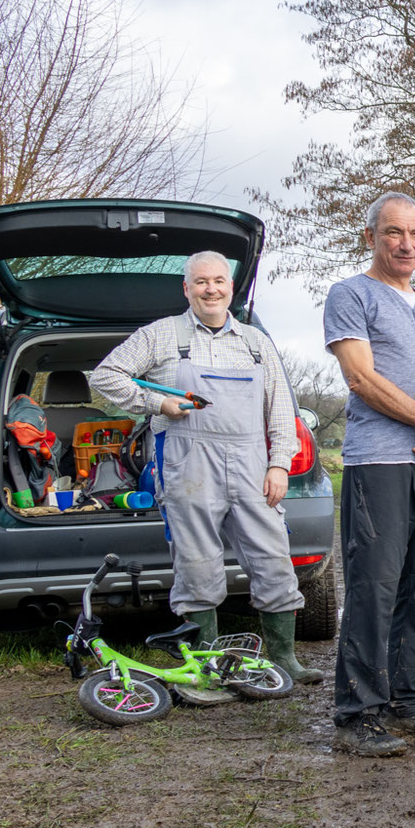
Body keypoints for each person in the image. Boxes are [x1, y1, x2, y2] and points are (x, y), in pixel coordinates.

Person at [90, 250, 317, 692]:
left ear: (231, 287)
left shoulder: (255, 342)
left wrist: (279, 465)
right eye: (201, 282)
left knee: (273, 560)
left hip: (254, 468)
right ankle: (207, 665)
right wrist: (158, 403)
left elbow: (280, 411)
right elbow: (105, 375)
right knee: (197, 566)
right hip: (189, 467)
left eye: (219, 281)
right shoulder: (161, 336)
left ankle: (286, 658)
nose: (211, 289)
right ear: (186, 288)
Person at [322, 192, 415, 757]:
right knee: (375, 585)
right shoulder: (351, 294)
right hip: (379, 463)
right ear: (370, 237)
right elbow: (361, 378)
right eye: (392, 233)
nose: (405, 244)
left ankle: (412, 701)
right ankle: (359, 710)